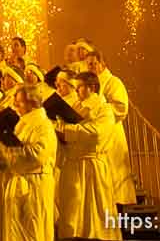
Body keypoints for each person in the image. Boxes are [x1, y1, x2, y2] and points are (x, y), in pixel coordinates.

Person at [55, 73, 121, 241]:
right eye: (75, 88)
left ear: (92, 88)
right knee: (71, 217)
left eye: (80, 87)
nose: (76, 91)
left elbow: (98, 134)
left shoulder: (104, 109)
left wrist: (68, 132)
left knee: (93, 215)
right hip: (72, 166)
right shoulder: (75, 106)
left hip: (92, 166)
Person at [0, 86, 55, 241]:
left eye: (19, 102)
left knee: (32, 230)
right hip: (18, 182)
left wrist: (11, 152)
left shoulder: (43, 125)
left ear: (32, 103)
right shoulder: (23, 124)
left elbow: (38, 155)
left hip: (34, 185)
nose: (15, 105)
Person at [85, 52, 135, 205]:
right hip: (98, 135)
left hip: (112, 134)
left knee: (115, 179)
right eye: (88, 64)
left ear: (103, 64)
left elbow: (121, 107)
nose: (91, 67)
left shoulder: (113, 82)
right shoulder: (90, 85)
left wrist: (100, 112)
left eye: (93, 63)